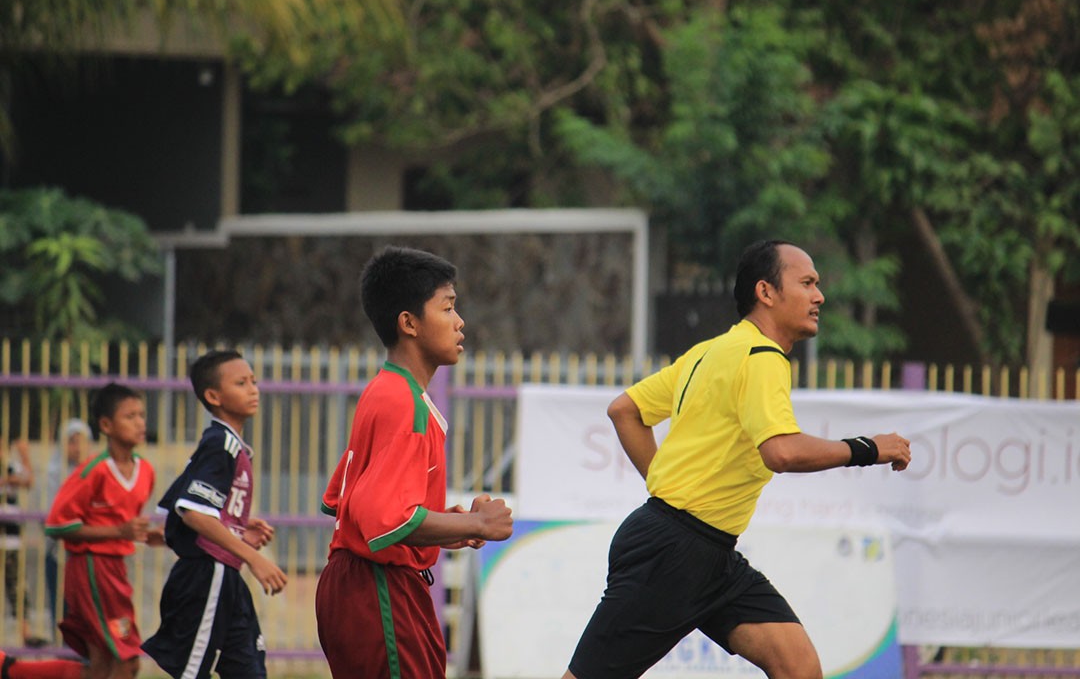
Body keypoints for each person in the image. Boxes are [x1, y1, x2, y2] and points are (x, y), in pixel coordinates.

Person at [562, 239, 913, 679]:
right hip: (673, 554)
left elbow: (624, 410)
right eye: (806, 283)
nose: (819, 296)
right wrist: (868, 448)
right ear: (766, 292)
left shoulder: (711, 351)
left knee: (798, 665)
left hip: (709, 556)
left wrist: (670, 493)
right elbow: (781, 451)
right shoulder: (761, 357)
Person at [315, 246, 514, 679]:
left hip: (364, 586)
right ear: (409, 323)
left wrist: (448, 525)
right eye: (448, 307)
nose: (460, 322)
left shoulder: (386, 390)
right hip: (378, 588)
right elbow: (382, 520)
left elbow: (343, 503)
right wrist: (477, 525)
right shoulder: (405, 404)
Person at [142, 350, 286, 679]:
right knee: (194, 672)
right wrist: (255, 557)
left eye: (254, 381)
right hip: (207, 579)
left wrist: (237, 526)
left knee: (249, 669)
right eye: (241, 383)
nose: (253, 389)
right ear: (213, 396)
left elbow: (193, 507)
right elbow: (192, 512)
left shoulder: (228, 445)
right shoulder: (220, 445)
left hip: (226, 580)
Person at [44, 383, 162, 679]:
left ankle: (13, 669)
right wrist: (118, 532)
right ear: (106, 425)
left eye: (142, 415)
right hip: (91, 569)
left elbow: (127, 526)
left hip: (116, 570)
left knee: (101, 664)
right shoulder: (92, 471)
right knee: (127, 660)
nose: (139, 423)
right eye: (130, 416)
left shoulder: (145, 471)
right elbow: (58, 525)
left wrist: (147, 535)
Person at [0, 436, 47, 648]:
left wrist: (25, 455)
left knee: (17, 587)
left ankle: (25, 633)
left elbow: (28, 480)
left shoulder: (10, 466)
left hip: (10, 539)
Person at [45, 418, 92, 630]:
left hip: (88, 552)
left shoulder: (94, 473)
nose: (77, 447)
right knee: (62, 609)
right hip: (58, 551)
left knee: (87, 610)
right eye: (72, 441)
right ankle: (64, 657)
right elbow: (49, 515)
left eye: (82, 441)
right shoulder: (53, 473)